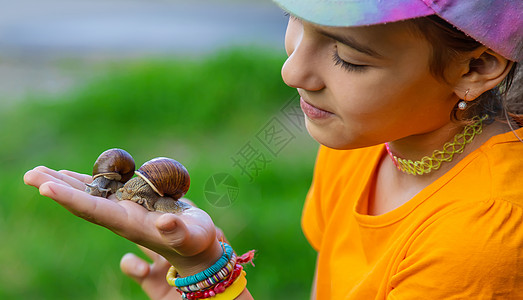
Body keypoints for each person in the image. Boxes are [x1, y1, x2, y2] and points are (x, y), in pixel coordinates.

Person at [24, 0, 522, 299]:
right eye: (295, 20)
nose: (291, 72)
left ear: (475, 68)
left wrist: (208, 275)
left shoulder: (480, 242)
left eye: (348, 59)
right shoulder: (363, 143)